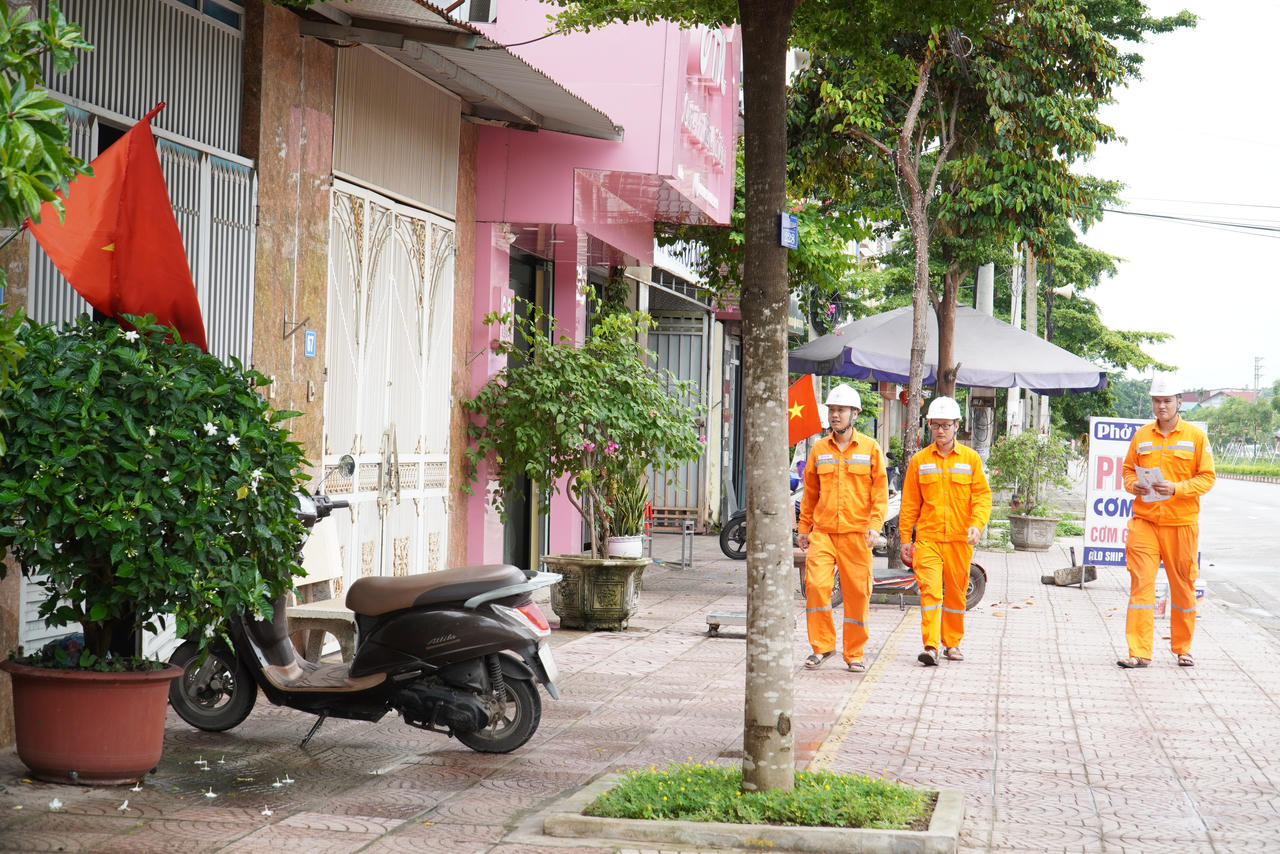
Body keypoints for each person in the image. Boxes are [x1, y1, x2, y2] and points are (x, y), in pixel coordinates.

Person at [1117, 373, 1215, 669]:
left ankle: (1183, 648)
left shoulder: (1195, 437)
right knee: (1141, 585)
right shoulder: (1142, 436)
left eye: (1167, 401)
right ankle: (1139, 651)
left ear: (1179, 402)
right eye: (1157, 401)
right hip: (1145, 522)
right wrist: (1133, 485)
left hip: (1181, 523)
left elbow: (1207, 478)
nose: (1161, 406)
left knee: (1183, 586)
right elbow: (1128, 470)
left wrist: (1176, 489)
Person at [796, 383, 888, 673]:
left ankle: (854, 653)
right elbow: (810, 493)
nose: (835, 415)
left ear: (854, 414)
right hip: (823, 533)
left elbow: (880, 494)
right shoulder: (819, 449)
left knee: (857, 593)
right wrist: (803, 528)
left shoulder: (871, 449)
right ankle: (822, 646)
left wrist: (875, 525)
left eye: (841, 410)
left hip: (857, 535)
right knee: (815, 587)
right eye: (832, 410)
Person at [898, 396, 991, 666]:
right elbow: (910, 503)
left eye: (946, 425)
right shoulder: (920, 461)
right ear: (929, 426)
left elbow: (982, 497)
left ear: (957, 425)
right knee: (930, 591)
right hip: (928, 539)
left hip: (959, 539)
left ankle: (952, 643)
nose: (941, 430)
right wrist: (905, 538)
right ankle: (930, 646)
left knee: (955, 593)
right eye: (936, 425)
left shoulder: (971, 460)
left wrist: (977, 524)